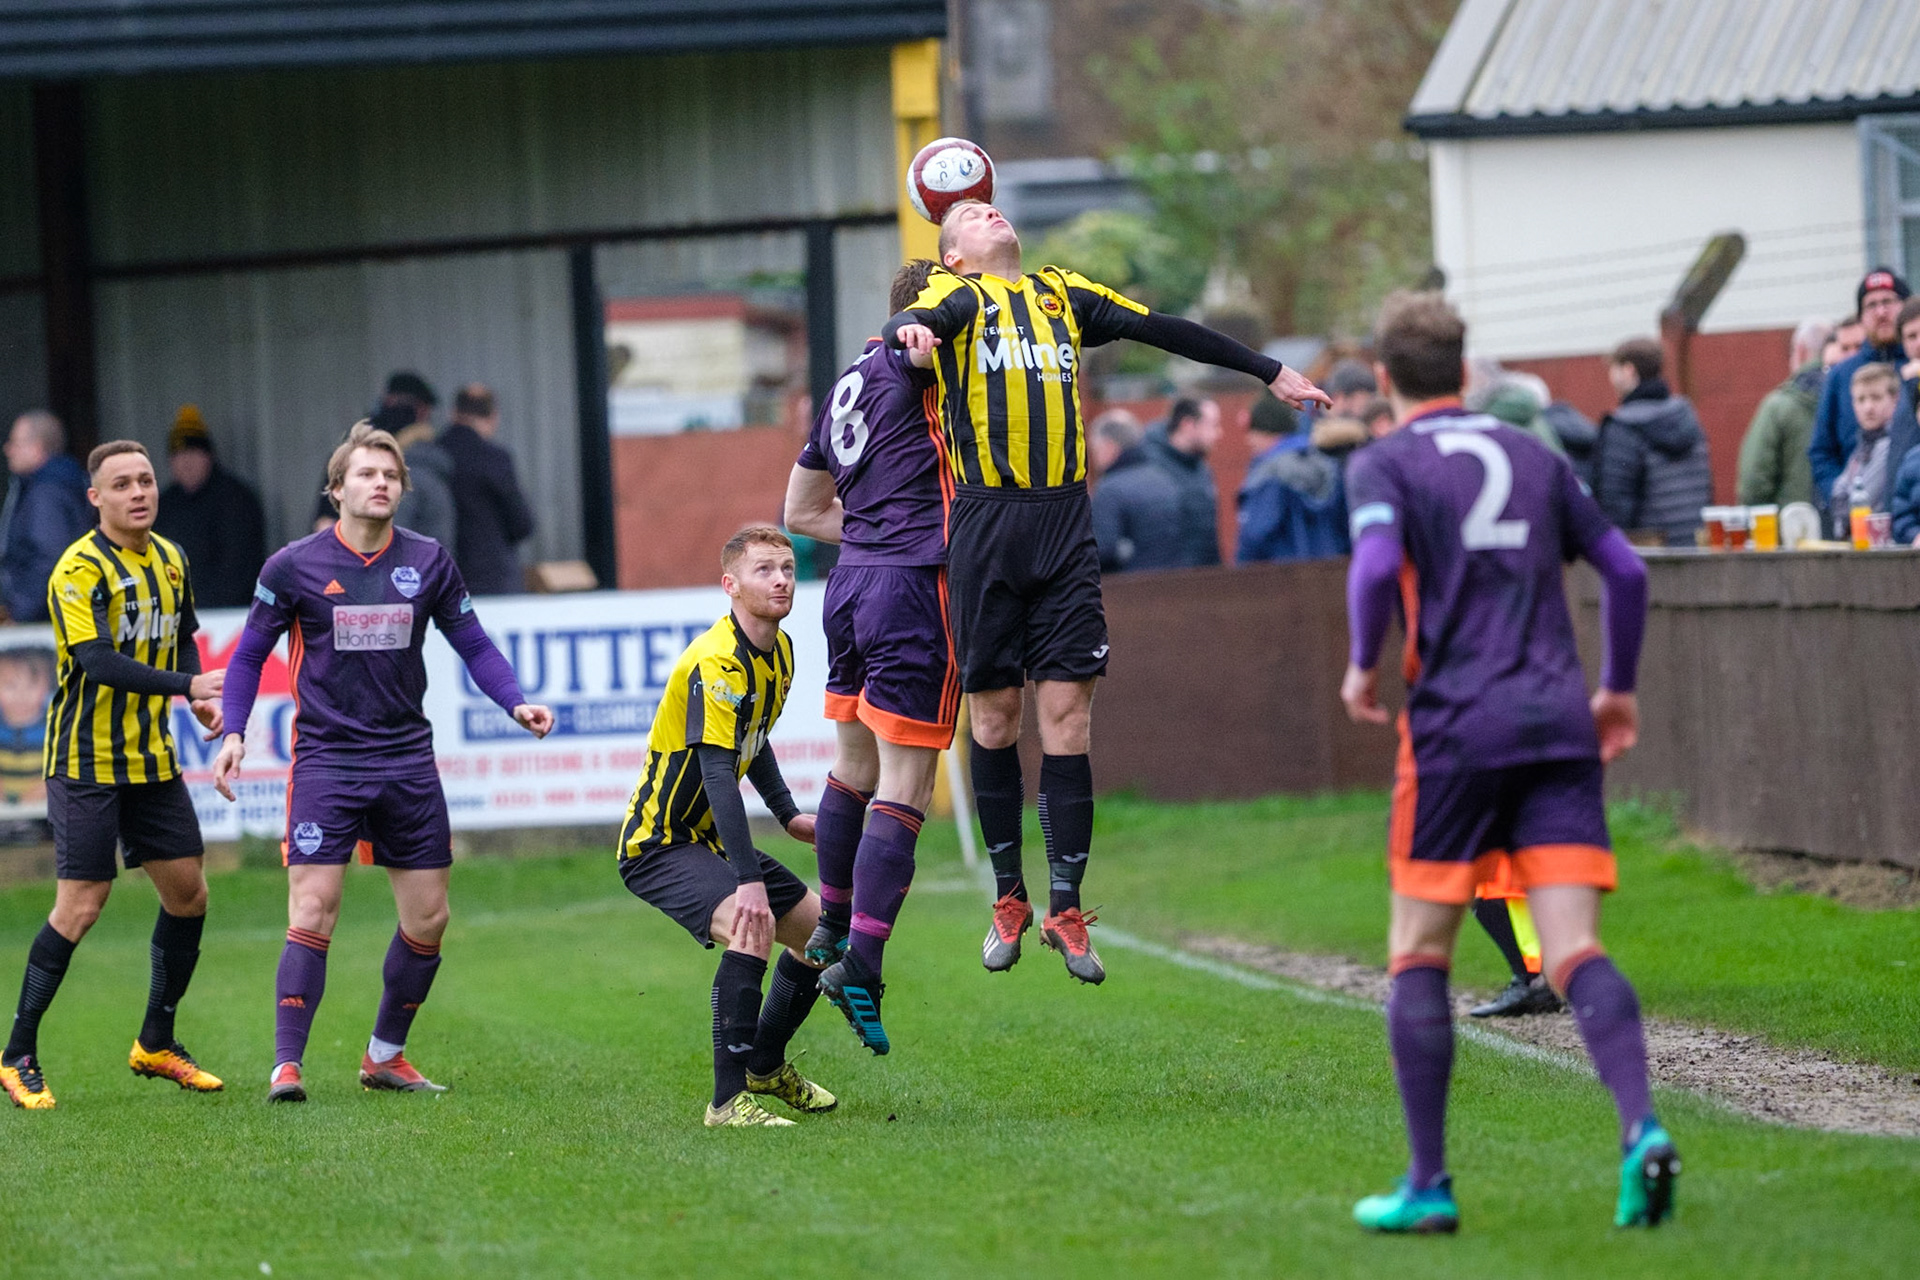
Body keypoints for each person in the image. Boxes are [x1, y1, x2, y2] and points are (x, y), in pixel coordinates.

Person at [884, 197, 1329, 984]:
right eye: (974, 217)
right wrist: (910, 337)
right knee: (994, 716)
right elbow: (905, 333)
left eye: (994, 207)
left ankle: (1064, 904)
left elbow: (1165, 328)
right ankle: (1009, 897)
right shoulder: (955, 300)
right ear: (954, 255)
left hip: (1065, 524)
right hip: (988, 524)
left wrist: (1271, 371)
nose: (992, 214)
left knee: (1069, 713)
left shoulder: (1063, 293)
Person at [1341, 291, 1673, 1234]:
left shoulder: (1385, 461)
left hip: (1453, 731)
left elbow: (1371, 571)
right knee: (1573, 950)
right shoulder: (1534, 453)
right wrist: (1619, 687)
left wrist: (1364, 668)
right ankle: (1642, 1129)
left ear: (1386, 373)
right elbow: (1628, 570)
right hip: (1559, 723)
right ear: (1462, 365)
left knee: (1419, 954)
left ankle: (1429, 1186)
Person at [211, 421, 553, 1103]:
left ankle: (384, 1056)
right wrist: (235, 731)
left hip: (406, 760)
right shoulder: (294, 566)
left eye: (391, 475)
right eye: (367, 474)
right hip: (327, 762)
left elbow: (473, 642)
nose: (381, 484)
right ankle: (287, 1066)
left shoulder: (428, 561)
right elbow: (249, 654)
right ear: (336, 490)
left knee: (429, 918)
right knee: (313, 908)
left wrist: (514, 701)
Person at [1, 441, 227, 1110]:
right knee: (82, 905)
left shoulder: (172, 557)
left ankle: (157, 1042)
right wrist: (189, 684)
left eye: (146, 480)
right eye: (122, 484)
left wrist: (199, 692)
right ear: (95, 497)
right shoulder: (77, 569)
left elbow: (183, 630)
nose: (139, 492)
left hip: (151, 761)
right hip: (85, 763)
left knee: (189, 896)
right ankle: (16, 1054)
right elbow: (98, 662)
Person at [782, 259, 950, 1055]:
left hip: (849, 588)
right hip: (912, 586)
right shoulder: (924, 356)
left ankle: (832, 924)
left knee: (855, 765)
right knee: (908, 778)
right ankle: (864, 963)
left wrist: (875, 529)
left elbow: (798, 511)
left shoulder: (850, 374)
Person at [615, 526, 837, 1127]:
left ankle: (765, 1066)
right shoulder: (714, 660)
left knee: (824, 934)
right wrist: (749, 880)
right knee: (753, 923)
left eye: (788, 568)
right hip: (659, 844)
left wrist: (788, 813)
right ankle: (725, 1100)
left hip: (706, 841)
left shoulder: (782, 651)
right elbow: (718, 774)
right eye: (765, 570)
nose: (782, 580)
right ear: (730, 585)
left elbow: (753, 741)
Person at [1810, 270, 1912, 517]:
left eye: (1888, 302)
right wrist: (1839, 494)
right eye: (1871, 305)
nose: (1881, 312)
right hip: (1859, 520)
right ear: (1861, 318)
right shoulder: (1840, 375)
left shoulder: (1915, 367)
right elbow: (1821, 450)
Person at [1594, 338, 1711, 547]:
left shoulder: (1622, 427)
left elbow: (1615, 506)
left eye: (1614, 369)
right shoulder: (1687, 417)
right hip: (1695, 548)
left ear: (1628, 371)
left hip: (1651, 556)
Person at [153, 405, 267, 609]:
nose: (186, 462)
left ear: (209, 456)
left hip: (229, 616)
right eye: (178, 455)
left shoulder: (236, 500)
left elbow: (240, 570)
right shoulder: (162, 505)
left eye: (193, 453)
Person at [439, 384, 536, 596]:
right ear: (493, 417)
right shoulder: (495, 459)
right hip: (490, 579)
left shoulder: (433, 454)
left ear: (453, 413)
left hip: (441, 576)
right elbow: (522, 524)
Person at [1236, 391, 1350, 562]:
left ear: (1267, 432)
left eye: (1253, 432)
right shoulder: (1329, 467)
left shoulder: (1267, 474)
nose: (1249, 440)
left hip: (1282, 581)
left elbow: (1254, 537)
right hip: (1331, 576)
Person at [1, 411, 92, 623]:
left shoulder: (46, 494)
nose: (8, 450)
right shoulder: (56, 487)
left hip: (41, 626)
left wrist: (20, 615)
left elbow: (49, 561)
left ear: (37, 448)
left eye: (15, 442)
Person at [1735, 319, 1831, 509]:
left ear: (1801, 351)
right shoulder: (1851, 398)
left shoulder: (1779, 406)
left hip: (1791, 530)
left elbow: (1753, 483)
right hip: (1846, 527)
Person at [1091, 413, 1186, 573]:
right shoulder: (1167, 480)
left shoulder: (1109, 491)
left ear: (1109, 446)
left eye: (1095, 449)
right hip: (1173, 585)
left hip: (1129, 589)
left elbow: (1103, 550)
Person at [1827, 363, 1900, 538]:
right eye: (1861, 399)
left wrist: (1848, 503)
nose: (1868, 407)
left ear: (1895, 400)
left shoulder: (1893, 444)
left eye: (1876, 398)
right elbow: (1837, 492)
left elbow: (1865, 498)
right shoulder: (1863, 443)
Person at [1086, 409, 1142, 477]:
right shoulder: (1156, 472)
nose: (1095, 459)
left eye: (1096, 450)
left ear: (1108, 446)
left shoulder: (1112, 485)